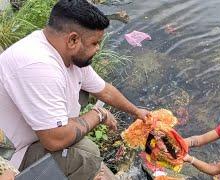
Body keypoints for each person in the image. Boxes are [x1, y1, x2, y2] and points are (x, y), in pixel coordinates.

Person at [0, 0, 149, 179]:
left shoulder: (66, 53)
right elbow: (54, 140)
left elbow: (105, 91)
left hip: (37, 135)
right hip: (14, 156)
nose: (98, 48)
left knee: (88, 150)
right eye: (95, 43)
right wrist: (98, 115)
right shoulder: (38, 66)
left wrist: (137, 111)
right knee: (85, 158)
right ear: (72, 39)